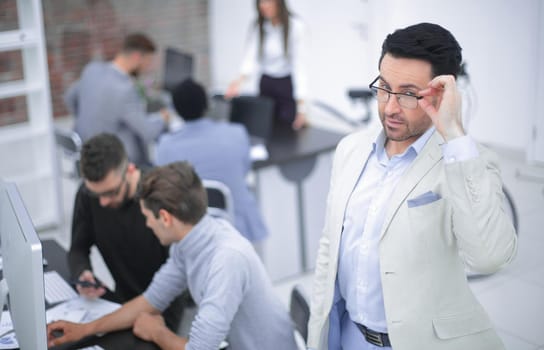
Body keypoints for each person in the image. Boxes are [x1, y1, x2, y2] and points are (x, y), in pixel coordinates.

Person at [307, 23, 518, 350]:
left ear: (442, 93)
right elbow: (330, 246)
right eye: (384, 87)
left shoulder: (465, 160)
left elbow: (489, 257)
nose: (390, 107)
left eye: (408, 94)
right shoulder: (350, 149)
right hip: (348, 336)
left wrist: (454, 134)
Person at [47, 161, 298, 350]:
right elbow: (150, 301)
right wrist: (84, 330)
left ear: (165, 218)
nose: (147, 225)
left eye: (148, 217)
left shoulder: (226, 259)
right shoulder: (189, 242)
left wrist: (157, 332)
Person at [68, 133, 183, 330]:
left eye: (111, 192)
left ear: (130, 170)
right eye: (96, 194)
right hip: (121, 304)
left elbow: (179, 278)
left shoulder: (162, 197)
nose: (102, 202)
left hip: (163, 312)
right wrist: (83, 272)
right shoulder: (87, 195)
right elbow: (78, 249)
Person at [155, 79, 268, 243]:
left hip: (194, 232)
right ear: (207, 106)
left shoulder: (165, 146)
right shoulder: (237, 133)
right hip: (239, 227)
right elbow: (244, 170)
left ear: (176, 111)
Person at [65, 32, 169, 167]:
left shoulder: (92, 69)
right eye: (148, 62)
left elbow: (69, 98)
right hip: (114, 165)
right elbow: (149, 133)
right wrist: (163, 118)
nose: (147, 69)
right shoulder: (125, 89)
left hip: (84, 154)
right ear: (137, 57)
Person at [225, 0, 308, 130]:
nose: (264, 6)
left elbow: (299, 66)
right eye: (261, 2)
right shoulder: (259, 26)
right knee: (265, 128)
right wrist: (237, 83)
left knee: (286, 131)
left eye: (268, 1)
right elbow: (250, 58)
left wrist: (301, 108)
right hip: (266, 83)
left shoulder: (295, 26)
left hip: (286, 85)